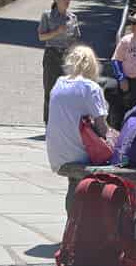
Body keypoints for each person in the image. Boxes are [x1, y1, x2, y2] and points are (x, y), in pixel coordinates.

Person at [46, 44, 111, 211]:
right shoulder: (90, 87)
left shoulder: (59, 83)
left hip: (56, 153)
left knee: (74, 182)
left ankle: (74, 221)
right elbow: (103, 129)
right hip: (78, 154)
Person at [37, 0, 80, 124]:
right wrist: (57, 31)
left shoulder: (72, 17)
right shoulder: (47, 15)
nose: (67, 1)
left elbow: (76, 38)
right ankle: (49, 124)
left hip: (67, 56)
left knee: (67, 92)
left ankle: (64, 123)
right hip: (52, 54)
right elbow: (41, 37)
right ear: (56, 0)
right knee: (50, 90)